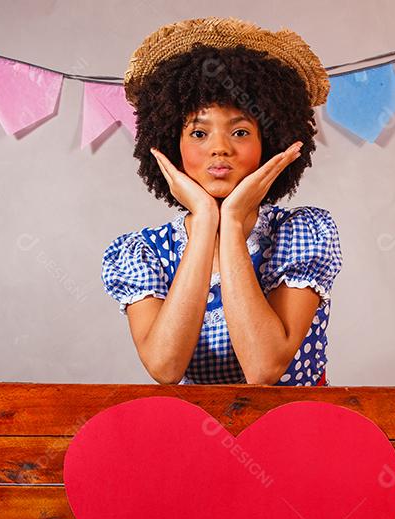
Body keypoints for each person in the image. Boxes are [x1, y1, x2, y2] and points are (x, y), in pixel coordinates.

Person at [101, 17, 342, 386]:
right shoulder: (144, 253)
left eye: (240, 131)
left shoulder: (301, 233)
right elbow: (165, 368)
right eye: (199, 133)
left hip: (296, 421)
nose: (219, 148)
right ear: (170, 144)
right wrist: (203, 221)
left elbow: (264, 368)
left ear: (270, 143)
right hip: (198, 425)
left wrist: (230, 221)